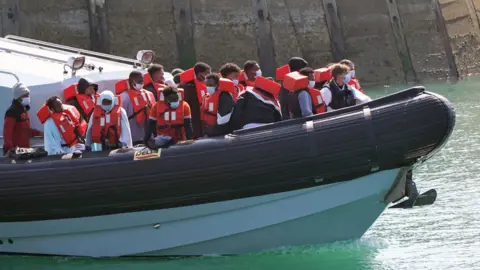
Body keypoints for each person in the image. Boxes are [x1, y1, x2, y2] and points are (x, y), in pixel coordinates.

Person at [2, 82, 43, 155]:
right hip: (16, 153)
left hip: (24, 151)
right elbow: (7, 133)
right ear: (19, 97)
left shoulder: (24, 110)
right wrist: (10, 150)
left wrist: (39, 133)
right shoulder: (12, 112)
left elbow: (25, 130)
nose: (28, 97)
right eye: (26, 95)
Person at [119, 71, 156, 144]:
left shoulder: (149, 94)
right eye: (139, 81)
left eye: (142, 81)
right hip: (133, 137)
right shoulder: (124, 97)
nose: (142, 83)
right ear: (132, 82)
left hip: (149, 136)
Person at [179, 62, 211, 139]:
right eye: (207, 74)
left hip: (202, 120)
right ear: (200, 74)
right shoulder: (185, 86)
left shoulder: (205, 86)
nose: (208, 76)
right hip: (192, 118)